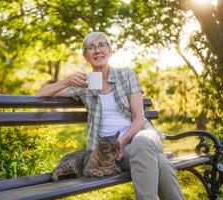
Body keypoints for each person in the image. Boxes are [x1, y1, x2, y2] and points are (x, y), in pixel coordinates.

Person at [36, 32, 184, 200]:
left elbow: (138, 118)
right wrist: (67, 81)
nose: (97, 50)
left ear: (110, 50)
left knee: (142, 142)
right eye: (91, 47)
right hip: (111, 152)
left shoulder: (126, 75)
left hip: (141, 135)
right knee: (161, 163)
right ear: (86, 56)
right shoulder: (86, 84)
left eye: (102, 45)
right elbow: (41, 93)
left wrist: (120, 144)